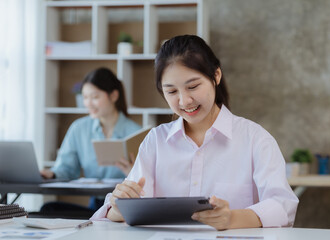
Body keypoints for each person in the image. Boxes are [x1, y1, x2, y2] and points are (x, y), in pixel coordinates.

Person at [91, 35, 299, 230]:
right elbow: (122, 208)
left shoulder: (255, 138)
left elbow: (283, 206)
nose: (184, 101)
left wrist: (232, 218)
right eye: (171, 91)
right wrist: (118, 208)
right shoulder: (156, 141)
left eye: (193, 86)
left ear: (216, 75)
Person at [40, 67, 141, 213]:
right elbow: (67, 169)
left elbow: (149, 181)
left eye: (95, 97)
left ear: (113, 96)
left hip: (123, 208)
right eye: (85, 97)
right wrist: (52, 174)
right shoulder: (78, 129)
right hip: (95, 206)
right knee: (48, 209)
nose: (88, 103)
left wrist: (133, 173)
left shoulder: (136, 132)